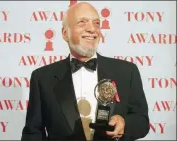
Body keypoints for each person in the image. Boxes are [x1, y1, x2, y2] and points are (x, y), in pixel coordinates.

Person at [21, 2, 150, 141]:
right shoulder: (42, 78)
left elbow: (142, 121)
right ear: (65, 34)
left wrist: (124, 124)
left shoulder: (127, 71)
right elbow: (33, 133)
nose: (92, 29)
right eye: (82, 22)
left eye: (96, 23)